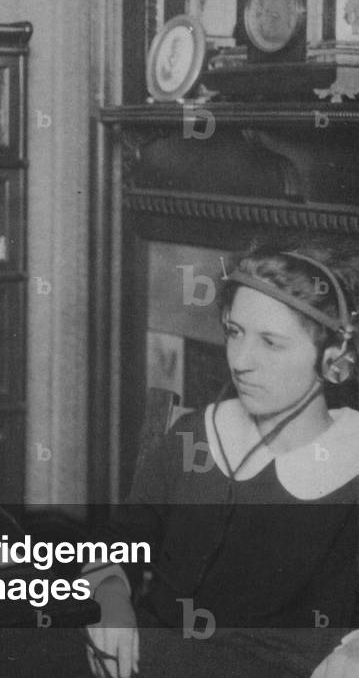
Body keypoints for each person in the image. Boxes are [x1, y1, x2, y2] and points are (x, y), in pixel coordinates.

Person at [85, 238, 359, 678]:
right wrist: (112, 602)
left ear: (333, 361)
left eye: (271, 343)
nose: (242, 361)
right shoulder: (196, 434)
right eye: (235, 332)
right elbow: (116, 543)